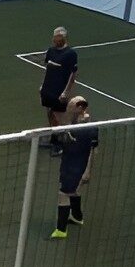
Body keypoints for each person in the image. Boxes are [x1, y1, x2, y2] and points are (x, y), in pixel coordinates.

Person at [52, 97, 96, 240]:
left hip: (76, 167)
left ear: (80, 109)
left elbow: (92, 150)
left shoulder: (87, 128)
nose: (68, 110)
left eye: (71, 107)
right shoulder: (74, 122)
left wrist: (87, 171)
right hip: (69, 163)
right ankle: (77, 217)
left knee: (63, 194)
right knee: (74, 192)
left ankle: (61, 230)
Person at [40, 27, 79, 156]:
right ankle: (53, 139)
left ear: (63, 38)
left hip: (59, 90)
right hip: (48, 89)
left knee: (58, 117)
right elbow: (48, 68)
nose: (55, 41)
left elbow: (72, 75)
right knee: (50, 114)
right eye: (54, 39)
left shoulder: (70, 54)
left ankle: (60, 143)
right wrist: (42, 85)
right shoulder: (50, 51)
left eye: (57, 39)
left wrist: (66, 92)